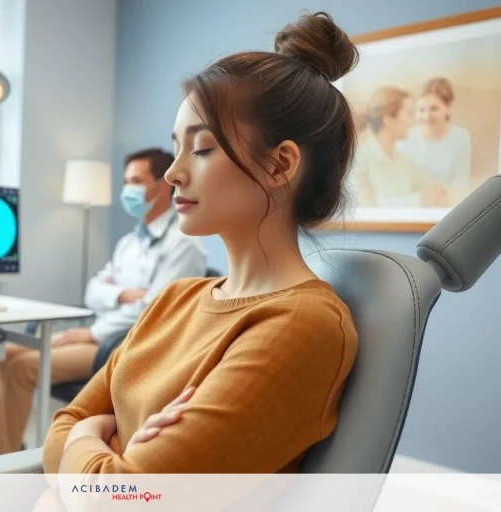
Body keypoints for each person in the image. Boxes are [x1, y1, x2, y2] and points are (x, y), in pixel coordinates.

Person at [41, 11, 361, 478]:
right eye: (176, 149)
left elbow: (124, 499)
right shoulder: (175, 298)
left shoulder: (302, 326)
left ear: (280, 165)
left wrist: (90, 438)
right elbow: (62, 426)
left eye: (203, 148)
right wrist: (99, 450)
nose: (172, 174)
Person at [0, 147, 207, 461]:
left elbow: (155, 311)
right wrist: (125, 293)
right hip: (101, 334)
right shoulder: (129, 243)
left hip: (124, 346)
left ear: (162, 185)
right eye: (126, 180)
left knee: (22, 366)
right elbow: (93, 291)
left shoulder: (183, 244)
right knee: (5, 353)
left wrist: (94, 332)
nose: (129, 189)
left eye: (136, 180)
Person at [351, 86, 447, 208]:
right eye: (408, 114)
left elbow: (433, 188)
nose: (412, 121)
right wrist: (419, 201)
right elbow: (365, 208)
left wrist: (438, 195)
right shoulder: (359, 158)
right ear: (389, 120)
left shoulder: (404, 160)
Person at [398, 77, 472, 202]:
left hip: (448, 206)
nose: (426, 116)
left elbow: (461, 183)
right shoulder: (405, 138)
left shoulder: (461, 137)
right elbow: (400, 186)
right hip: (414, 207)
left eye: (434, 109)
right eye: (421, 110)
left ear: (448, 107)